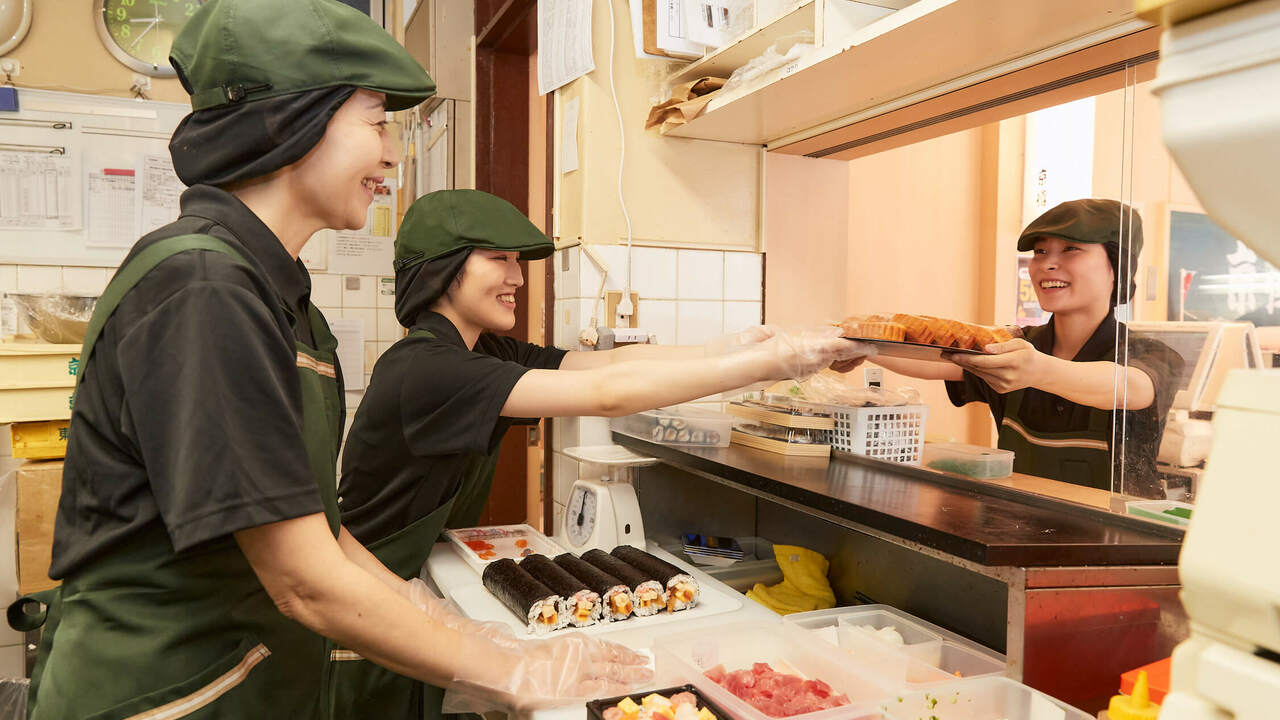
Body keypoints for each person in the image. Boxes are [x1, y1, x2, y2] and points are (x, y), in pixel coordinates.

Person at [10, 2, 650, 717]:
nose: (393, 156)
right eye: (376, 123)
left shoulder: (279, 296)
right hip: (165, 693)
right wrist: (519, 674)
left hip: (242, 680)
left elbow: (323, 532)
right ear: (291, 121)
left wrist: (466, 633)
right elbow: (303, 579)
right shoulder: (203, 289)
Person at [335, 188, 869, 718]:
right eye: (498, 259)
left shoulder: (478, 349)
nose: (517, 278)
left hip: (409, 591)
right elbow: (607, 396)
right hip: (366, 606)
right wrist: (774, 364)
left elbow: (608, 368)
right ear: (440, 271)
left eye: (518, 262)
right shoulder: (427, 369)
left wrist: (736, 347)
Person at [873, 199, 1182, 498]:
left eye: (1071, 249)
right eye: (1040, 251)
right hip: (1019, 528)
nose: (1046, 263)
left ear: (1117, 267)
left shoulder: (1152, 355)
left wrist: (1037, 370)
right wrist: (863, 348)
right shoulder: (1021, 343)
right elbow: (938, 359)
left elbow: (1130, 387)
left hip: (1111, 542)